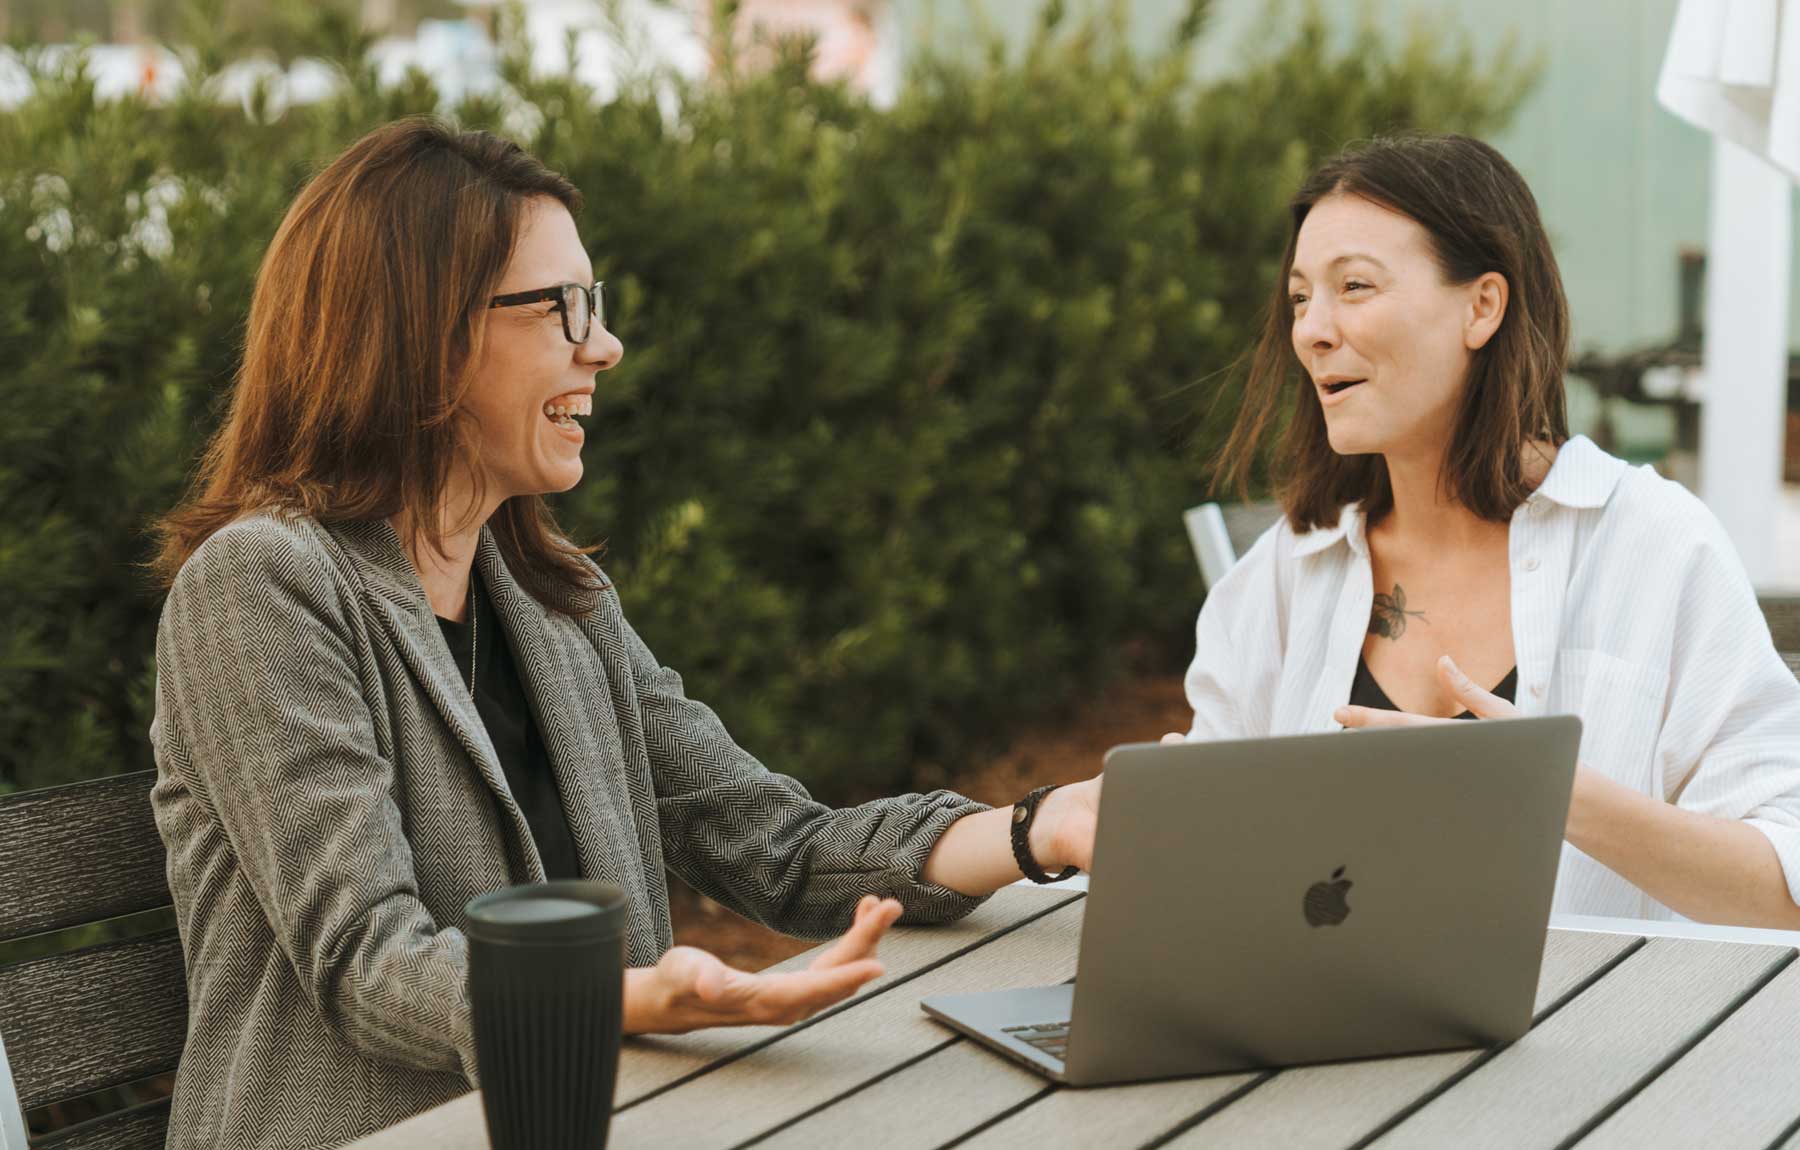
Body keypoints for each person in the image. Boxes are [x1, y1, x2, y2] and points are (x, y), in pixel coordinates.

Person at [147, 117, 1101, 1149]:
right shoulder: (262, 585)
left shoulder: (560, 602)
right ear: (424, 336)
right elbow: (369, 962)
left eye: (591, 306)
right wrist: (626, 999)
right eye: (564, 308)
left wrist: (1042, 827)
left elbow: (775, 845)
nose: (603, 344)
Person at [1167, 133, 1800, 929]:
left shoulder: (1653, 546)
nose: (1311, 330)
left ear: (1482, 306)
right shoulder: (1283, 578)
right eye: (1300, 298)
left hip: (1600, 1042)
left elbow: (1786, 890)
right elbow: (1212, 878)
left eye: (1354, 286)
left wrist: (1560, 797)